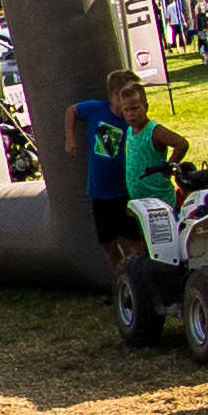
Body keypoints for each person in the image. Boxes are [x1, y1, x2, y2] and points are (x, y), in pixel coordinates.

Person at [71, 70, 155, 290]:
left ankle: (144, 285)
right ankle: (123, 284)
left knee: (135, 239)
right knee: (107, 243)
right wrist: (70, 139)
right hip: (100, 191)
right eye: (129, 92)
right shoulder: (97, 109)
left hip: (125, 191)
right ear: (117, 95)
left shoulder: (133, 121)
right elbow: (72, 110)